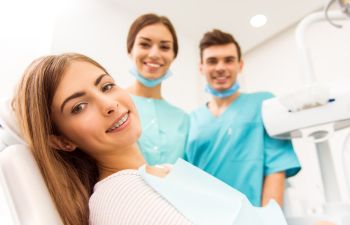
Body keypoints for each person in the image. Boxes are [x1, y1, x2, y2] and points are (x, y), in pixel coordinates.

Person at [13, 53, 294, 225]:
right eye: (78, 107)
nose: (108, 104)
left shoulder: (163, 172)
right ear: (61, 141)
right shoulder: (120, 198)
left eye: (107, 86)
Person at [185, 29, 301, 207]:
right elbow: (187, 178)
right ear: (201, 67)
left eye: (229, 60)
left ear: (240, 65)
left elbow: (277, 167)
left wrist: (268, 221)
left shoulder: (264, 103)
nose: (220, 67)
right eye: (212, 61)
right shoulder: (192, 119)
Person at [126, 13, 189, 165]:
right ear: (130, 50)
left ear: (173, 56)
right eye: (145, 44)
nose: (154, 54)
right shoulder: (112, 104)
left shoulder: (183, 119)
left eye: (165, 47)